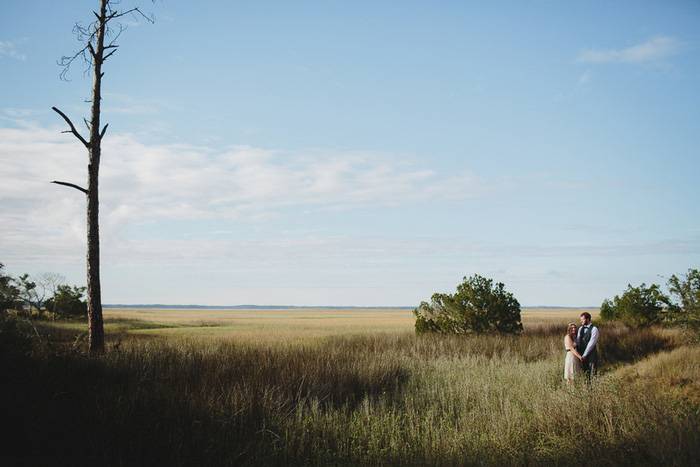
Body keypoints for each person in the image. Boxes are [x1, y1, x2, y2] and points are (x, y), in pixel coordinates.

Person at [577, 311, 599, 381]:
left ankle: (594, 387)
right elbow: (578, 341)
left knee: (592, 371)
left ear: (588, 319)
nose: (581, 321)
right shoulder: (580, 329)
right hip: (582, 354)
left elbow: (592, 343)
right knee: (585, 371)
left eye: (583, 319)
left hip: (591, 353)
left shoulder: (594, 329)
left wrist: (585, 354)